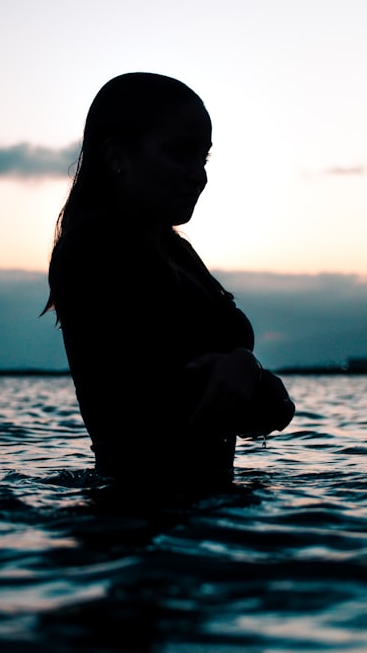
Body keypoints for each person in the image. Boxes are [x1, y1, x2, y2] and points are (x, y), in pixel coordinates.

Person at [44, 73, 294, 495]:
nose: (199, 176)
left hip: (199, 514)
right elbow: (152, 396)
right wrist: (248, 375)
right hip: (136, 515)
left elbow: (253, 405)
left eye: (204, 158)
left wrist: (246, 372)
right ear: (118, 154)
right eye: (180, 154)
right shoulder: (93, 250)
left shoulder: (176, 251)